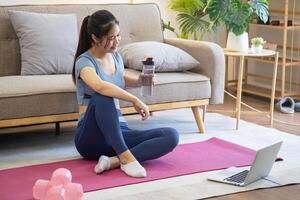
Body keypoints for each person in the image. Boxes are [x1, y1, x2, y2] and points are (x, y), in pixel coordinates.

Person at [72, 10, 179, 178]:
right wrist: (134, 99)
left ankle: (113, 161)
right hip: (91, 138)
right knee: (102, 96)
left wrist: (139, 81)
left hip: (118, 133)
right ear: (95, 38)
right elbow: (100, 86)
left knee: (171, 135)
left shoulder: (115, 57)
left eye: (118, 36)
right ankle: (127, 158)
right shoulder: (84, 62)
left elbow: (119, 77)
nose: (117, 41)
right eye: (111, 38)